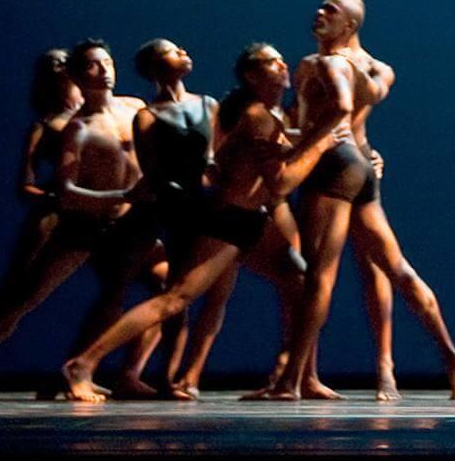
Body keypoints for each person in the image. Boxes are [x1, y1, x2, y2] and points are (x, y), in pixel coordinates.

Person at [62, 44, 340, 401]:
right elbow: (282, 182)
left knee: (300, 285)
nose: (283, 65)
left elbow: (240, 154)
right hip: (229, 221)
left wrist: (307, 143)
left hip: (252, 220)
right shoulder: (256, 115)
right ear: (252, 76)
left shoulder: (256, 114)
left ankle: (292, 379)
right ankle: (83, 364)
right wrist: (322, 144)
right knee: (176, 298)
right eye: (273, 62)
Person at [257, 0, 455, 401]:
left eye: (331, 12)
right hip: (358, 166)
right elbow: (365, 97)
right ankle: (452, 357)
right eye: (319, 7)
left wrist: (311, 143)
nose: (319, 14)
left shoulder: (321, 64)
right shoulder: (372, 67)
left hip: (334, 166)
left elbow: (339, 108)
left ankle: (291, 381)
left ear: (350, 25)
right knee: (396, 268)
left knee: (319, 277)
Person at [0, 40, 160, 399]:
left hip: (127, 224)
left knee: (165, 292)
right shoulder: (67, 127)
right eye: (94, 65)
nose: (105, 70)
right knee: (25, 295)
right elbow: (50, 187)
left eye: (108, 62)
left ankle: (104, 370)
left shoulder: (134, 107)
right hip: (80, 220)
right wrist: (110, 197)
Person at [130, 39, 217, 395]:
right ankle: (169, 376)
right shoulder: (147, 117)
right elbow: (151, 171)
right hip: (178, 209)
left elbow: (221, 151)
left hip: (210, 203)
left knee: (209, 293)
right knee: (178, 293)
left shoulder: (209, 104)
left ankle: (184, 375)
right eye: (172, 50)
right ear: (154, 65)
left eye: (183, 48)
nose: (183, 52)